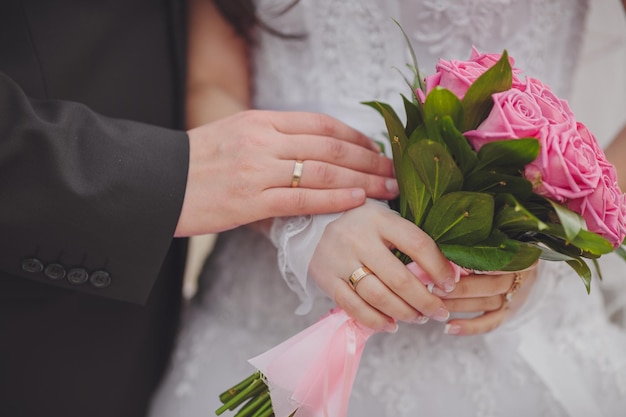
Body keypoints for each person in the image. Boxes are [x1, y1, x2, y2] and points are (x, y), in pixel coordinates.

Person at [150, 1, 626, 416]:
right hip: (262, 292)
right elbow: (212, 84)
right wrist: (303, 219)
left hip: (505, 333)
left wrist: (541, 243)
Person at [0, 1, 403, 416]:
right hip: (50, 315)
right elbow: (212, 82)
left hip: (133, 331)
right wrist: (304, 221)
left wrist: (468, 240)